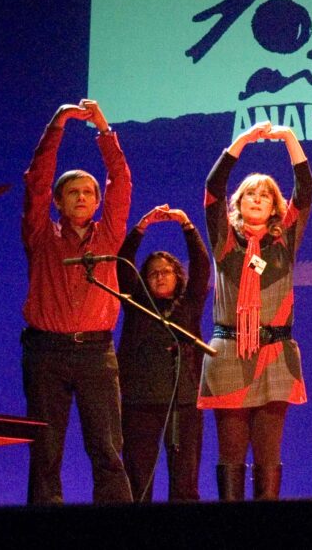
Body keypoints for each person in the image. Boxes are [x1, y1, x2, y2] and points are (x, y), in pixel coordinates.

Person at [20, 99, 132, 504]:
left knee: (106, 449)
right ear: (59, 201)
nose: (82, 197)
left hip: (96, 353)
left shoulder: (108, 236)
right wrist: (58, 124)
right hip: (46, 352)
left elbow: (120, 181)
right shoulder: (40, 235)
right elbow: (36, 180)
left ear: (97, 202)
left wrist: (104, 130)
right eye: (73, 192)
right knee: (46, 453)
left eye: (88, 192)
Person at [198, 121, 312, 501]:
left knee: (269, 455)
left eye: (266, 195)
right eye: (250, 194)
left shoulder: (285, 241)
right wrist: (241, 142)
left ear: (276, 205)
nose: (258, 199)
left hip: (276, 355)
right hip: (229, 353)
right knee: (230, 453)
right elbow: (214, 188)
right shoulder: (224, 241)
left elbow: (306, 191)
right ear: (239, 203)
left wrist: (290, 140)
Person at [116, 204, 209, 502]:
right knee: (138, 481)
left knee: (185, 483)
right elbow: (122, 262)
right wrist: (142, 226)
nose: (159, 277)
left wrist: (188, 226)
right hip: (139, 405)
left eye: (166, 271)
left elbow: (201, 267)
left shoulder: (188, 305)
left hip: (183, 404)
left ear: (176, 275)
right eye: (153, 273)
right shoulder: (137, 306)